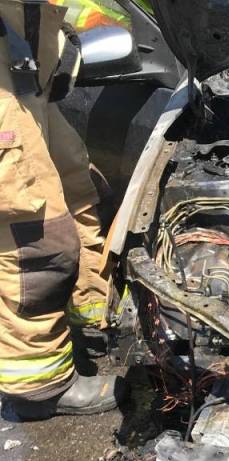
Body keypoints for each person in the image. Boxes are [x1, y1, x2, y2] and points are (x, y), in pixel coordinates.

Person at [0, 0, 125, 418]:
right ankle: (38, 387)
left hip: (28, 76)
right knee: (33, 238)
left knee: (80, 193)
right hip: (5, 88)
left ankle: (91, 317)